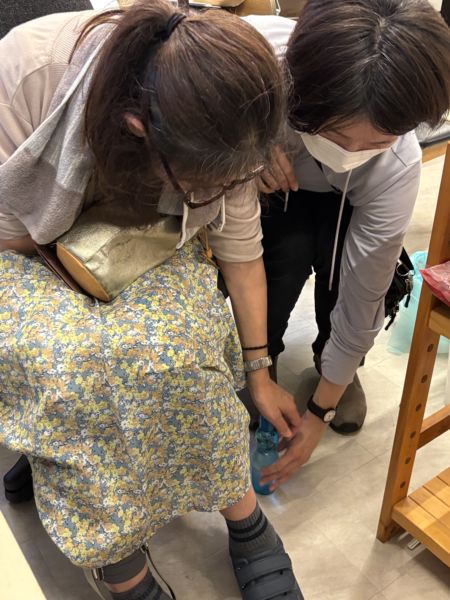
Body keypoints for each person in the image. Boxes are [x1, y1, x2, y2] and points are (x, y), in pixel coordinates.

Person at [0, 2, 303, 599]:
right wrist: (85, 280)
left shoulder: (232, 109)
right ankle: (122, 568)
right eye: (208, 183)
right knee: (73, 377)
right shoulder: (29, 73)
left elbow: (241, 253)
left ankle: (243, 516)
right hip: (21, 244)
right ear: (138, 128)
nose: (224, 191)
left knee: (181, 356)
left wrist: (260, 372)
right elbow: (10, 230)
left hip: (153, 235)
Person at [239, 0, 450, 489]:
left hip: (353, 204)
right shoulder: (252, 62)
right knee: (279, 261)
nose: (350, 153)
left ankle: (332, 366)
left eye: (375, 141)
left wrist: (320, 412)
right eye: (335, 134)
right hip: (275, 187)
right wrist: (246, 148)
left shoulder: (396, 167)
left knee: (347, 277)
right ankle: (260, 361)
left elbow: (363, 297)